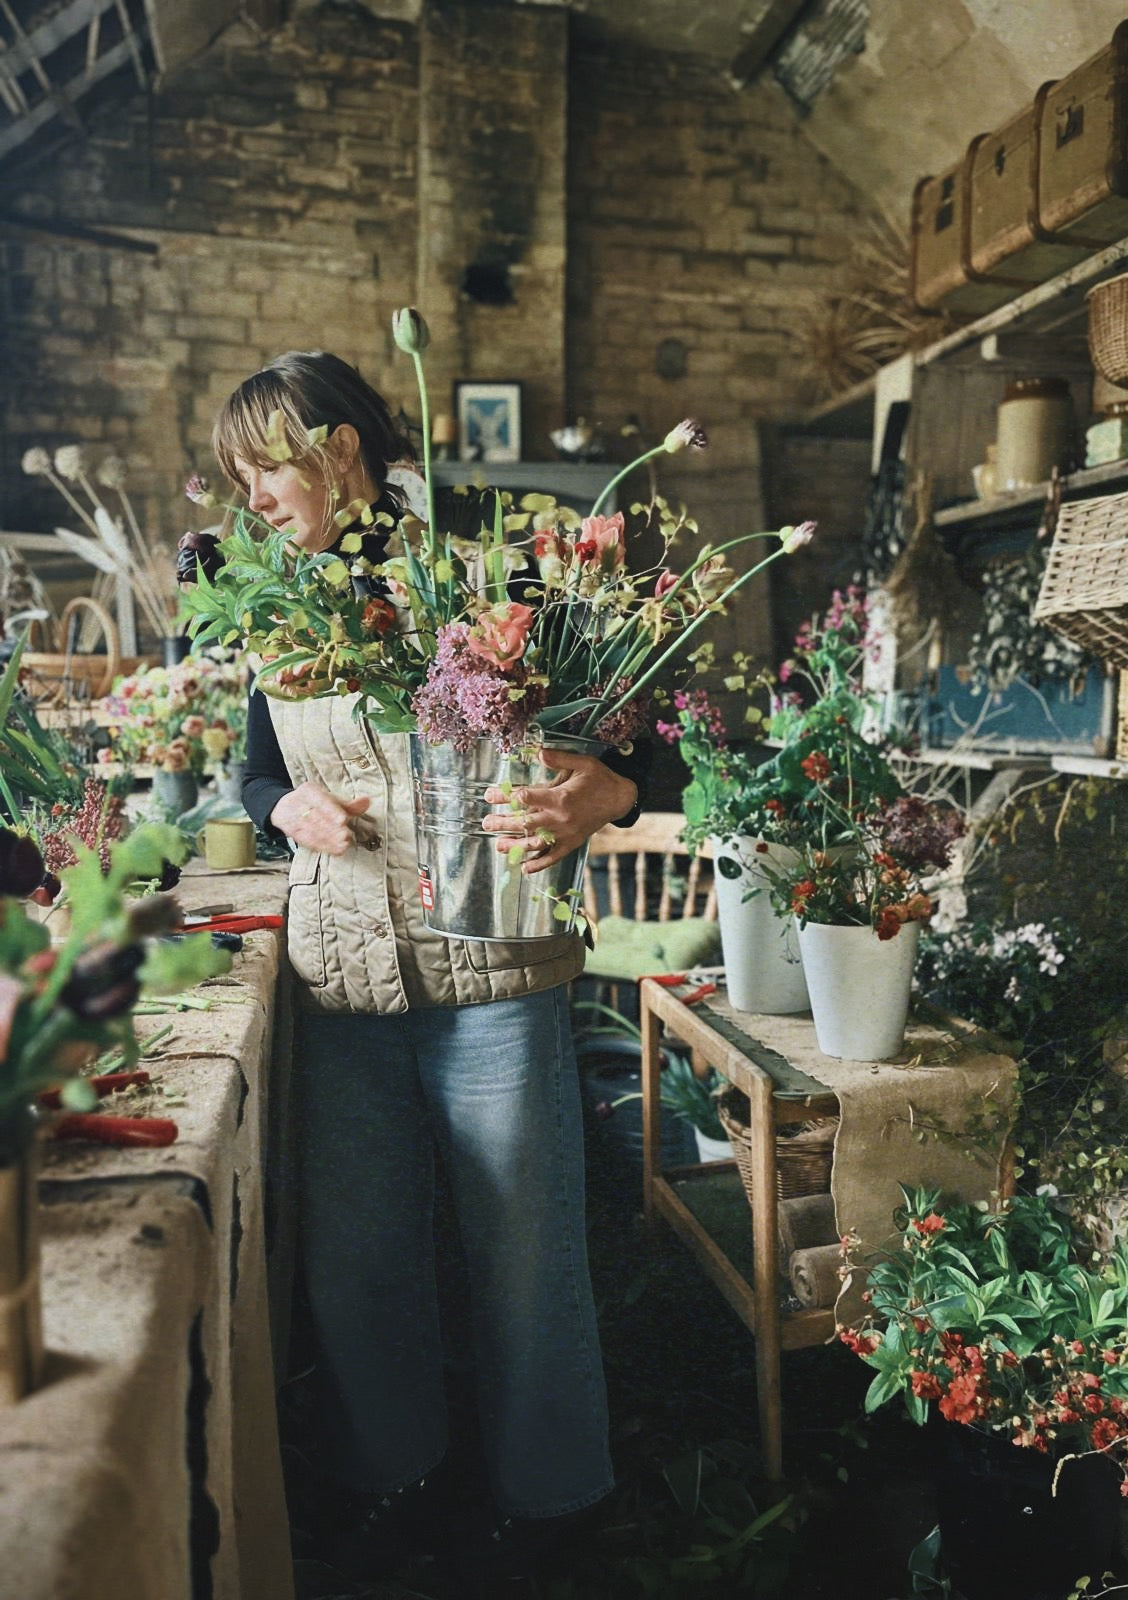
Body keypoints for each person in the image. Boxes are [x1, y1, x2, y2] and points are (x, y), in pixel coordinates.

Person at [214, 351, 648, 1585]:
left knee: (526, 1255)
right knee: (358, 1261)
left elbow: (629, 723)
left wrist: (604, 790)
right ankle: (391, 1478)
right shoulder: (273, 600)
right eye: (240, 472)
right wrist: (285, 805)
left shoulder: (489, 565)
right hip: (344, 973)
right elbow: (253, 769)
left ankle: (556, 1505)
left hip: (494, 967)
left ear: (340, 449)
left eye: (265, 463)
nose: (251, 494)